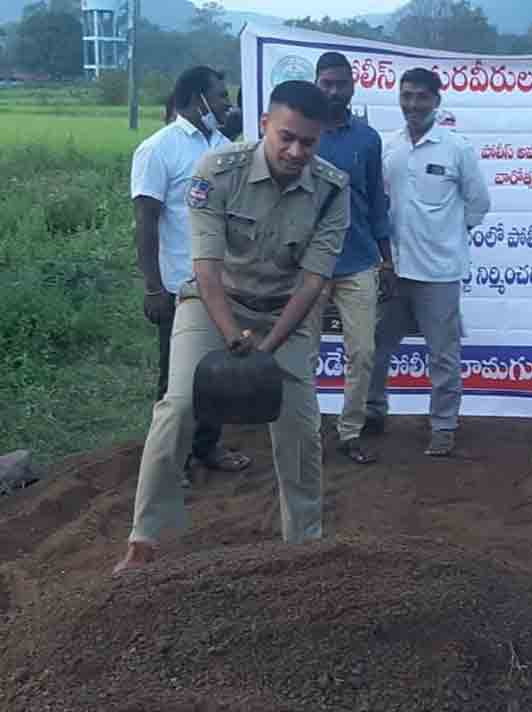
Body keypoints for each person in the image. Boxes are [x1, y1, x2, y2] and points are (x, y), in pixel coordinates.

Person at [112, 80, 350, 575]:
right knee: (177, 407)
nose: (295, 150)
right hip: (211, 303)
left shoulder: (332, 190)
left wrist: (269, 346)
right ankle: (143, 541)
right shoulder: (217, 172)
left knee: (301, 424)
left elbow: (312, 284)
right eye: (286, 136)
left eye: (308, 141)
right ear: (264, 125)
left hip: (285, 312)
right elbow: (205, 268)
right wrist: (231, 337)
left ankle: (304, 546)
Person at [130, 65, 250, 480]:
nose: (226, 105)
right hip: (178, 285)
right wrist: (152, 287)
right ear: (197, 99)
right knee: (176, 383)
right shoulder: (158, 149)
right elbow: (145, 220)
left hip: (223, 283)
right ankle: (171, 461)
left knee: (216, 372)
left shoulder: (223, 146)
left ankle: (206, 447)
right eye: (219, 97)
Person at [365, 68, 490, 457]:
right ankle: (372, 413)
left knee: (443, 355)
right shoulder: (389, 147)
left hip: (440, 273)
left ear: (436, 100)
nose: (412, 104)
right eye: (406, 96)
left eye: (421, 96)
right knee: (374, 347)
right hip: (395, 270)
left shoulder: (457, 148)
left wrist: (449, 234)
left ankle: (444, 427)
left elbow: (478, 204)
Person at [311, 51, 392, 465]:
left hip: (359, 261)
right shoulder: (301, 134)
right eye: (327, 83)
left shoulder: (368, 139)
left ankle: (349, 432)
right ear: (316, 84)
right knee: (302, 355)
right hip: (309, 266)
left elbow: (377, 201)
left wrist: (386, 260)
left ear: (353, 86)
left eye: (341, 83)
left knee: (361, 352)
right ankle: (303, 431)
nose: (334, 91)